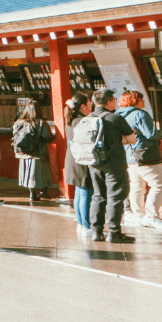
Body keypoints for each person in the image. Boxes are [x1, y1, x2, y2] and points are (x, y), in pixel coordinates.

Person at [79, 88, 136, 242]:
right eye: (114, 100)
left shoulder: (87, 118)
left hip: (94, 162)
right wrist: (120, 140)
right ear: (109, 102)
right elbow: (132, 139)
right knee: (115, 197)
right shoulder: (115, 118)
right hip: (114, 163)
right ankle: (114, 232)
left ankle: (97, 231)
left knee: (98, 195)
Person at [117, 91, 162, 231]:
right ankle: (152, 216)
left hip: (129, 155)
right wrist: (161, 133)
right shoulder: (140, 114)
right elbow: (151, 133)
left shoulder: (119, 115)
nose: (144, 102)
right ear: (135, 101)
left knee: (137, 186)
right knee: (160, 184)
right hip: (145, 155)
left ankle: (139, 215)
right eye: (142, 99)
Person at [10, 105, 54, 202]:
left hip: (23, 153)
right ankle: (43, 191)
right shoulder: (41, 122)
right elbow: (47, 136)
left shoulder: (19, 122)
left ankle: (32, 193)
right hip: (38, 152)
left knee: (28, 173)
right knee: (45, 171)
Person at [63, 94, 94, 230]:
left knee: (79, 193)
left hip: (71, 158)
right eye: (89, 104)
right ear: (83, 106)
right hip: (82, 160)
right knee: (85, 193)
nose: (91, 106)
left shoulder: (70, 120)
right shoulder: (82, 121)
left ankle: (81, 224)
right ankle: (87, 226)